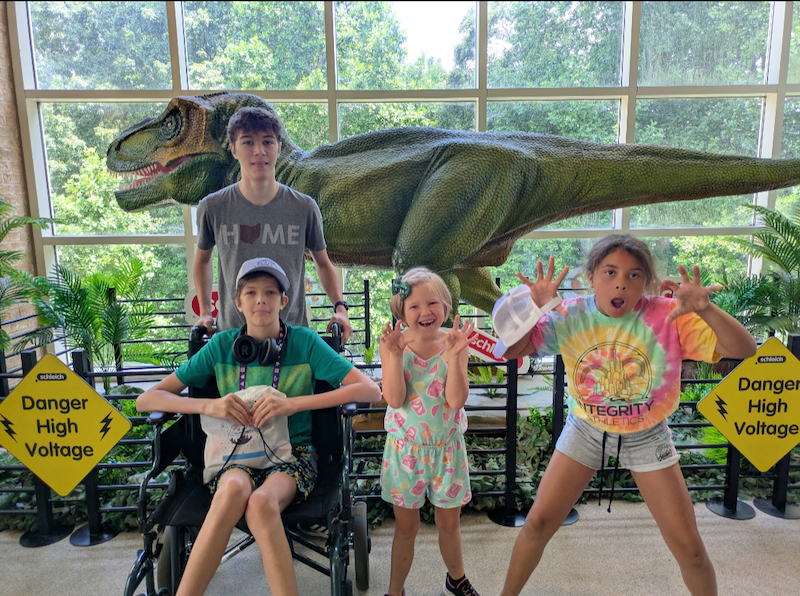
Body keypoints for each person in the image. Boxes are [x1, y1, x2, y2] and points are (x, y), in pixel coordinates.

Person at [492, 235, 757, 596]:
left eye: (634, 275)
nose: (621, 283)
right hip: (585, 430)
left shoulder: (669, 315)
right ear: (591, 276)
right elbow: (511, 350)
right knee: (536, 524)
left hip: (647, 435)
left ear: (646, 282)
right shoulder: (570, 314)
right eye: (610, 272)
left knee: (692, 552)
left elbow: (745, 349)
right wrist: (534, 310)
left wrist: (705, 309)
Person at [137, 257, 380, 596]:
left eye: (270, 292)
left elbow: (370, 390)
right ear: (237, 302)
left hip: (292, 455)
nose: (260, 300)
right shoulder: (221, 347)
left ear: (284, 300)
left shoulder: (306, 342)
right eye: (250, 292)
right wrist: (208, 405)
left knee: (261, 504)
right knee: (231, 491)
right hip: (235, 455)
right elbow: (147, 400)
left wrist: (293, 404)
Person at [193, 106, 352, 342]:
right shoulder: (213, 207)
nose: (259, 151)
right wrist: (205, 313)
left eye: (267, 142)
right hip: (232, 337)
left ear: (279, 148)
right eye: (248, 142)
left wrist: (340, 308)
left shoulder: (304, 207)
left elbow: (323, 263)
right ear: (233, 149)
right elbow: (202, 260)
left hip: (292, 336)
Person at [379, 267, 480, 596]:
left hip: (447, 451)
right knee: (405, 528)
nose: (425, 312)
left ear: (446, 306)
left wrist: (455, 357)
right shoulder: (393, 345)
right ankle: (395, 590)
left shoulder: (455, 342)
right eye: (415, 306)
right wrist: (395, 356)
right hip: (404, 452)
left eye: (432, 303)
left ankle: (456, 579)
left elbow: (456, 400)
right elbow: (395, 399)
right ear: (401, 312)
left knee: (449, 525)